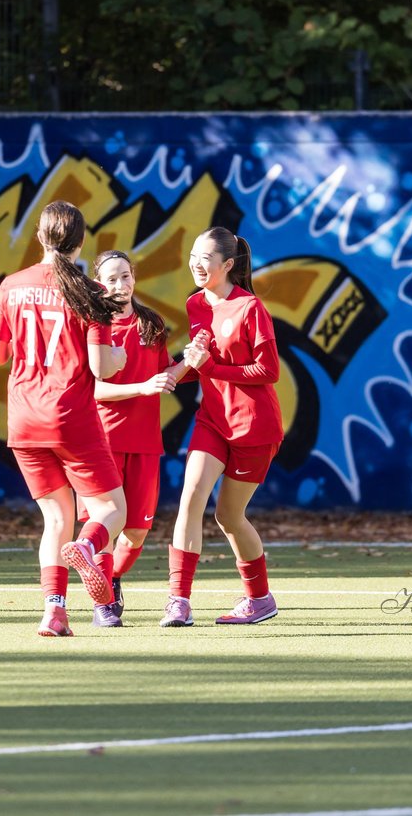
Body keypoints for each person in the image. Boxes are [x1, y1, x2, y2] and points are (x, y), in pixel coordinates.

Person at [0, 200, 129, 636]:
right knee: (111, 510)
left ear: (40, 237)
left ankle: (54, 612)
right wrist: (119, 356)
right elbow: (102, 366)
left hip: (24, 419)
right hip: (70, 416)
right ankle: (87, 547)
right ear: (80, 242)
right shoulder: (91, 292)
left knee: (55, 518)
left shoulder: (11, 285)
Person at [161, 227, 284, 627]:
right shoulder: (195, 304)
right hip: (212, 420)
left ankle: (260, 599)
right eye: (193, 255)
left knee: (229, 518)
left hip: (254, 427)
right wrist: (174, 372)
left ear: (228, 265)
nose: (196, 263)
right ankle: (178, 602)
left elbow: (267, 370)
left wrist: (208, 366)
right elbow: (203, 363)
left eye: (206, 257)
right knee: (191, 497)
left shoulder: (250, 308)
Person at [80, 250, 188, 626]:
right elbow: (92, 390)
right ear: (98, 282)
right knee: (106, 523)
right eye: (111, 279)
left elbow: (162, 376)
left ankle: (108, 580)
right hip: (101, 440)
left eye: (125, 276)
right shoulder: (92, 324)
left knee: (137, 531)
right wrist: (144, 387)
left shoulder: (151, 324)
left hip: (144, 440)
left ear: (134, 278)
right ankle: (103, 604)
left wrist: (193, 359)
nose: (120, 285)